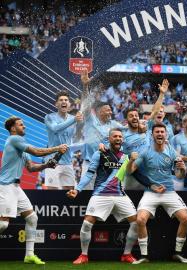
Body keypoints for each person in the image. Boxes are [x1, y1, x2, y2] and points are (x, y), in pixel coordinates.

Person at [0, 116, 68, 265]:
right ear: (13, 128)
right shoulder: (14, 140)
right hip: (5, 186)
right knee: (3, 224)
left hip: (16, 188)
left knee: (32, 218)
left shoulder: (22, 148)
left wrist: (46, 165)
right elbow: (37, 152)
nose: (24, 127)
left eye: (23, 124)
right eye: (21, 125)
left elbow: (31, 167)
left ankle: (29, 255)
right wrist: (57, 148)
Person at [66, 128, 138, 264]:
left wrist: (132, 161)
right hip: (100, 194)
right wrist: (78, 189)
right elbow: (89, 174)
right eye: (115, 136)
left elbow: (127, 173)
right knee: (87, 223)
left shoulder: (125, 156)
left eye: (120, 136)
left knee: (136, 222)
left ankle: (127, 254)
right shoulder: (100, 153)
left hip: (120, 195)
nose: (118, 138)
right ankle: (84, 255)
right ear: (109, 139)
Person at [127, 123, 187, 264]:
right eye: (157, 132)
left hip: (169, 192)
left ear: (166, 134)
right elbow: (130, 171)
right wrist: (131, 160)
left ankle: (177, 253)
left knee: (186, 219)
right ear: (153, 135)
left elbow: (180, 176)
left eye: (162, 132)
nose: (160, 134)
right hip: (151, 192)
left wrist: (182, 169)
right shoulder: (145, 151)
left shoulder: (171, 151)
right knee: (140, 220)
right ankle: (144, 256)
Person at [80, 72, 124, 189]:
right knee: (86, 193)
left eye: (110, 110)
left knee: (105, 194)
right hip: (89, 163)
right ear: (99, 111)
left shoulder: (114, 124)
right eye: (107, 110)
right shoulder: (91, 119)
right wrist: (85, 86)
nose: (110, 112)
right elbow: (86, 104)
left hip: (106, 165)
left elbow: (129, 128)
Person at [44, 91, 83, 189]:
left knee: (70, 193)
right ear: (56, 104)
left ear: (69, 104)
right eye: (61, 100)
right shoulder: (49, 117)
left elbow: (72, 138)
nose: (63, 102)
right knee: (52, 193)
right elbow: (55, 129)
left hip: (67, 162)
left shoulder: (74, 119)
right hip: (52, 161)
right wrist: (74, 120)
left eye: (66, 100)